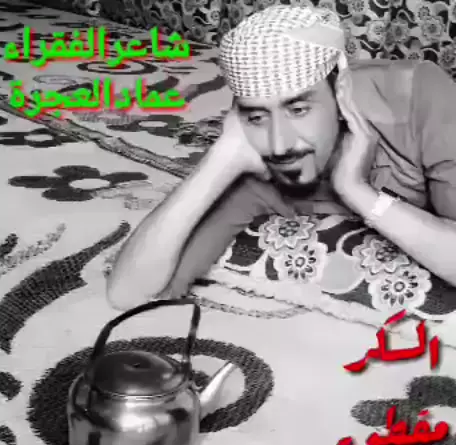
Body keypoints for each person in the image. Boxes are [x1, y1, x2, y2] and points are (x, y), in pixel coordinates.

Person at [107, 4, 456, 311]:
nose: (279, 145)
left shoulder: (418, 94)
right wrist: (218, 161)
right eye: (257, 116)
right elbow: (128, 293)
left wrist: (358, 191)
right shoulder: (255, 162)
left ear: (341, 92)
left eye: (298, 109)